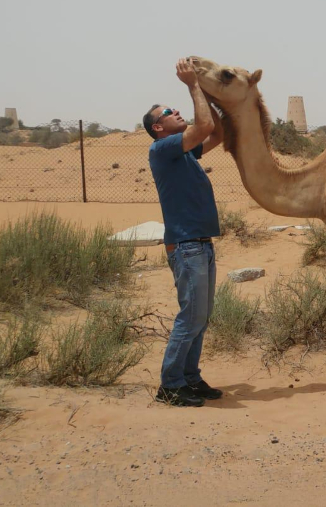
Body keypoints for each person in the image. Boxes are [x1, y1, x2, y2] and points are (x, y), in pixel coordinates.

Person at [143, 58, 224, 407]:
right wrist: (193, 86)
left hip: (200, 244)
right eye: (168, 112)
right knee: (190, 318)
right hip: (187, 246)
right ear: (158, 127)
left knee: (200, 319)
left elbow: (217, 132)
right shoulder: (162, 149)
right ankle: (171, 385)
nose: (176, 112)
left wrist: (209, 92)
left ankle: (190, 378)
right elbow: (203, 126)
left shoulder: (186, 153)